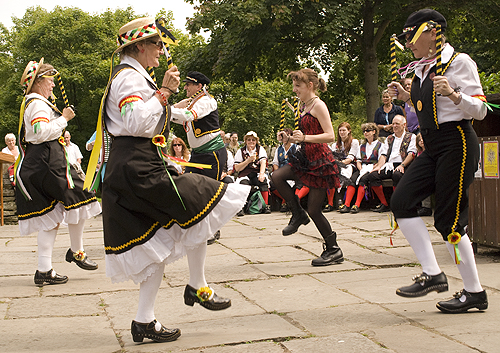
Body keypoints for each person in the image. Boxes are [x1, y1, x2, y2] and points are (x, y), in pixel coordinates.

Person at [94, 17, 250, 343]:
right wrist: (164, 91)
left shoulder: (134, 77)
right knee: (199, 198)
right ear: (139, 46)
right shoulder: (128, 80)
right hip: (136, 171)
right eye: (157, 45)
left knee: (159, 244)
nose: (161, 51)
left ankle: (145, 320)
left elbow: (144, 127)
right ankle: (197, 286)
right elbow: (136, 121)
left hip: (139, 166)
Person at [388, 9, 488, 313]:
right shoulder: (421, 68)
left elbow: (482, 110)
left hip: (457, 142)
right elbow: (430, 107)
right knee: (401, 201)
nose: (408, 44)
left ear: (433, 33)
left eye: (411, 37)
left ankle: (475, 292)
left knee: (450, 222)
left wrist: (456, 95)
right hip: (431, 146)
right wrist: (407, 97)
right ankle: (433, 274)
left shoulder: (459, 62)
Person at [16, 58, 101, 287]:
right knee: (83, 195)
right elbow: (41, 132)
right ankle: (77, 251)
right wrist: (64, 119)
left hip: (43, 162)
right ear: (39, 82)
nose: (53, 85)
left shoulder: (37, 103)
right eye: (50, 81)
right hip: (46, 163)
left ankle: (44, 270)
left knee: (50, 218)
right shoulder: (37, 104)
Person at [271, 68, 343, 267]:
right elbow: (305, 133)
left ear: (310, 86)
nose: (295, 90)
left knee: (314, 209)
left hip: (320, 161)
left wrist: (305, 138)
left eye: (298, 86)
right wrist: (290, 138)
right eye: (294, 86)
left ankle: (334, 249)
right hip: (306, 157)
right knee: (277, 177)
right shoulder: (303, 105)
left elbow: (330, 135)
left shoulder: (319, 105)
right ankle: (297, 213)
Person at [170, 71, 227, 181]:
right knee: (188, 183)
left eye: (188, 84)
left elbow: (188, 116)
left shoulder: (206, 101)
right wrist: (173, 109)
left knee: (209, 190)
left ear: (199, 86)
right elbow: (179, 118)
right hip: (197, 155)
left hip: (212, 154)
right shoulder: (194, 103)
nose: (185, 88)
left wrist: (168, 109)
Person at [365, 115, 417, 212]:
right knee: (373, 175)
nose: (394, 126)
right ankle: (384, 203)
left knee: (397, 175)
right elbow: (383, 155)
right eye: (393, 124)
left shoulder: (411, 137)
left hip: (404, 164)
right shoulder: (389, 138)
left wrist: (402, 165)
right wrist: (379, 166)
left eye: (397, 123)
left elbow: (411, 154)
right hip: (389, 165)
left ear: (404, 125)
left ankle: (398, 203)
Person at [338, 123, 382, 214]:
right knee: (352, 179)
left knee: (363, 179)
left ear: (374, 132)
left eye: (368, 131)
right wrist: (361, 169)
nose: (365, 133)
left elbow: (382, 159)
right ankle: (347, 204)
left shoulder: (380, 145)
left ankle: (357, 205)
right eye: (364, 131)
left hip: (372, 168)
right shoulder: (362, 146)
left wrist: (375, 166)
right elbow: (358, 160)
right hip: (362, 167)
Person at [270, 128, 309, 212]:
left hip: (294, 173)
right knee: (273, 183)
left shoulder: (297, 147)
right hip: (282, 174)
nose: (284, 137)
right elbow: (275, 163)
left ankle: (294, 200)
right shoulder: (278, 149)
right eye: (282, 135)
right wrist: (278, 173)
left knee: (303, 182)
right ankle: (286, 200)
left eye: (286, 135)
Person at [234, 131, 271, 214]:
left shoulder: (260, 149)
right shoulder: (241, 151)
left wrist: (261, 173)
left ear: (256, 141)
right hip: (245, 174)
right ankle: (241, 207)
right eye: (249, 140)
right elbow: (237, 168)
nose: (251, 142)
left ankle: (265, 205)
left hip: (256, 173)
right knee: (243, 183)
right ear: (246, 141)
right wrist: (248, 161)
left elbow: (263, 162)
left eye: (253, 140)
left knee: (263, 180)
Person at [324, 122, 359, 212]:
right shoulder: (335, 145)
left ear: (349, 131)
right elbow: (332, 157)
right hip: (337, 165)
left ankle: (345, 203)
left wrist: (339, 163)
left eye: (344, 130)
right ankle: (330, 203)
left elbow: (350, 158)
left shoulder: (354, 142)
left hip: (349, 165)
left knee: (345, 176)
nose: (342, 132)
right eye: (340, 130)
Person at [415, 133, 432, 216]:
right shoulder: (419, 153)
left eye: (423, 139)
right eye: (419, 140)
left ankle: (426, 207)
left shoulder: (431, 152)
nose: (421, 141)